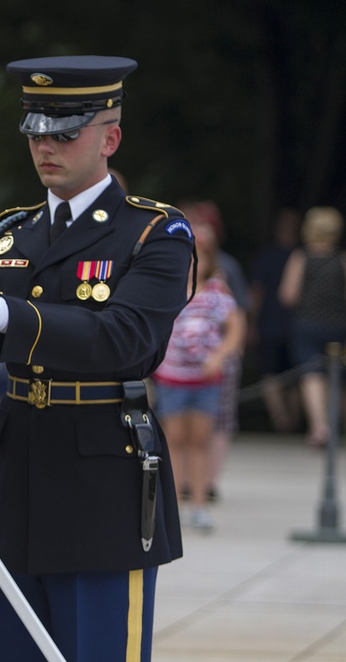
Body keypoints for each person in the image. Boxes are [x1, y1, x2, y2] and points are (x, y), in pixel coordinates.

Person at [0, 56, 193, 661]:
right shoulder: (9, 234)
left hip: (102, 478)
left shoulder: (153, 234)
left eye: (64, 133)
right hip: (17, 474)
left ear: (109, 137)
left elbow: (125, 337)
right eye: (36, 132)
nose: (45, 147)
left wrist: (7, 315)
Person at [153, 223, 245, 531]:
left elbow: (235, 327)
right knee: (175, 440)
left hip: (206, 381)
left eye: (199, 258)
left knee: (201, 441)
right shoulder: (167, 290)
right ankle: (175, 504)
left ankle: (200, 504)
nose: (193, 264)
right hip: (172, 378)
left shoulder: (218, 293)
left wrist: (220, 355)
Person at [180, 200, 248, 501]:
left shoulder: (224, 272)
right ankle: (185, 482)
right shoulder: (175, 268)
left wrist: (224, 353)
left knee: (216, 423)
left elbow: (237, 316)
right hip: (178, 368)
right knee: (179, 428)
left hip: (215, 362)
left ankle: (206, 483)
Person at [278, 206, 346, 448]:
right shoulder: (341, 259)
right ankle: (337, 425)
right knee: (338, 376)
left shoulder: (301, 257)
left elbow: (288, 294)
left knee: (312, 376)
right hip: (338, 326)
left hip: (306, 324)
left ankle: (319, 426)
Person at [248, 207, 301, 432]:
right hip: (297, 323)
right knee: (297, 374)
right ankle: (294, 421)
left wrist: (251, 322)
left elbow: (256, 293)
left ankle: (281, 420)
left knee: (271, 374)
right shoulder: (301, 255)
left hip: (271, 322)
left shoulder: (266, 255)